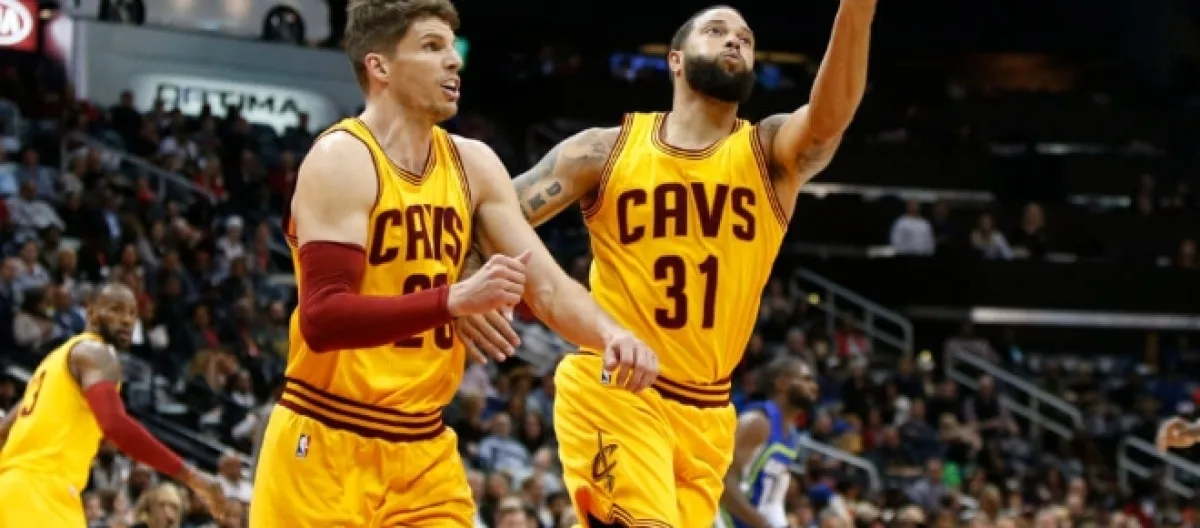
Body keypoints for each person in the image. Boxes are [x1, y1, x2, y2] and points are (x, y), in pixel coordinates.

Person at [458, 1, 874, 524]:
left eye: (746, 38)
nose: (735, 41)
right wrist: (467, 271)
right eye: (716, 31)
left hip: (708, 415)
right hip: (618, 389)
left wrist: (857, 10)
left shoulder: (769, 153)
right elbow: (492, 215)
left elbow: (828, 119)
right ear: (674, 59)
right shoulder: (603, 151)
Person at [248, 0, 658, 526]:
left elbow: (548, 288)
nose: (454, 60)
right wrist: (452, 300)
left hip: (424, 449)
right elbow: (323, 319)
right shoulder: (342, 158)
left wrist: (612, 335)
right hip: (325, 436)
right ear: (380, 66)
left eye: (452, 47)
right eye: (431, 46)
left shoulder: (474, 163)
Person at [0, 283, 224, 526]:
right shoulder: (97, 352)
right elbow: (115, 424)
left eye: (132, 313)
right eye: (116, 309)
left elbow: (3, 431)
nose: (127, 320)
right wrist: (191, 476)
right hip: (41, 493)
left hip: (15, 488)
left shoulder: (52, 363)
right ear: (91, 313)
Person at [716, 356, 818, 528]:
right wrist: (764, 524)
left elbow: (772, 500)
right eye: (806, 379)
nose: (814, 386)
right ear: (782, 383)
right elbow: (723, 482)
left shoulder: (791, 436)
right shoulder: (758, 422)